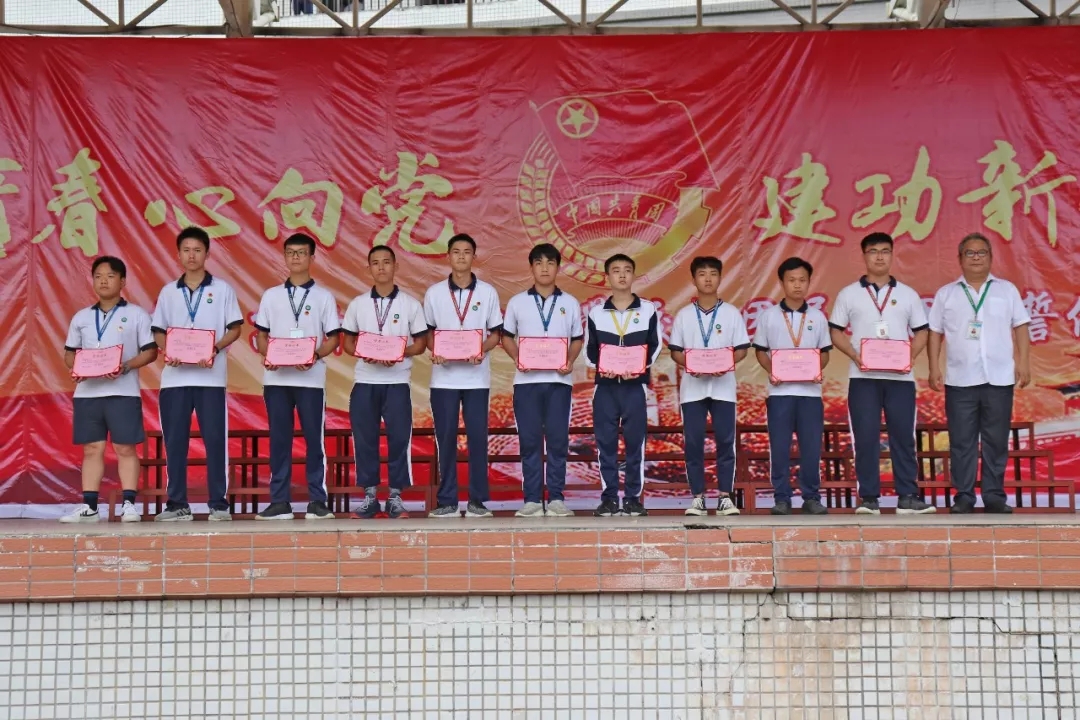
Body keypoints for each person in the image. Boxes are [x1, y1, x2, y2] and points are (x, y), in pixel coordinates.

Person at [828, 232, 936, 516]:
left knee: (903, 437)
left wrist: (909, 357)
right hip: (863, 379)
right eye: (873, 251)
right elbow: (835, 331)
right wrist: (855, 355)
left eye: (885, 251)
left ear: (892, 255)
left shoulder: (908, 294)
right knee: (865, 437)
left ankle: (908, 497)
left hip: (900, 379)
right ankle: (869, 498)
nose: (879, 256)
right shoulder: (849, 294)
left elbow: (922, 331)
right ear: (864, 256)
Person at [927, 233, 1031, 514]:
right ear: (960, 259)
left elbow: (1021, 326)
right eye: (970, 253)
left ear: (990, 257)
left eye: (981, 252)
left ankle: (994, 495)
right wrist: (934, 367)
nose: (976, 258)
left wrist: (1023, 362)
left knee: (996, 440)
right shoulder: (946, 294)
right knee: (962, 441)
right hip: (960, 380)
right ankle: (963, 496)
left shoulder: (1006, 290)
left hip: (999, 378)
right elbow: (934, 332)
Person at [151, 227, 244, 522]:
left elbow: (235, 328)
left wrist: (214, 349)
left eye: (197, 250)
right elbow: (158, 331)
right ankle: (177, 504)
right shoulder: (168, 291)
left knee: (215, 441)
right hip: (175, 379)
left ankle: (218, 503)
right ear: (178, 254)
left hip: (210, 378)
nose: (192, 256)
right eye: (186, 250)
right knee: (174, 442)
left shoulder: (223, 289)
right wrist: (169, 350)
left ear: (207, 253)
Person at [60, 257, 158, 523]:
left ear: (122, 281)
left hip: (122, 393)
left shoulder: (137, 314)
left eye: (110, 276)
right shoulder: (81, 317)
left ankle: (129, 505)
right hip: (87, 393)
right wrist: (77, 367)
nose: (104, 281)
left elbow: (150, 352)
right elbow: (70, 353)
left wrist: (126, 366)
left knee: (125, 448)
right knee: (92, 449)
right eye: (98, 276)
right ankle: (90, 507)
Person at [253, 233, 341, 521]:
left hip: (310, 380)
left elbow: (333, 338)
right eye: (290, 252)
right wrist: (268, 355)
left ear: (312, 258)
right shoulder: (271, 295)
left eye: (301, 253)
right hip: (277, 380)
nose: (295, 257)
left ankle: (317, 500)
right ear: (284, 257)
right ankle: (280, 502)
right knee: (279, 441)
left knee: (315, 442)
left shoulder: (324, 297)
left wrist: (314, 355)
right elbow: (261, 335)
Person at [342, 245, 428, 519]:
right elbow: (348, 343)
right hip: (365, 381)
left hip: (397, 382)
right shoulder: (358, 304)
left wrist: (400, 353)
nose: (381, 267)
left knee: (399, 439)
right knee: (364, 439)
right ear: (369, 268)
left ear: (395, 266)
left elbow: (421, 343)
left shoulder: (410, 304)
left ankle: (395, 497)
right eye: (375, 262)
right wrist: (363, 354)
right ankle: (369, 496)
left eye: (386, 262)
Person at [423, 233, 503, 518]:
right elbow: (428, 332)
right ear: (448, 256)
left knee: (477, 439)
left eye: (466, 252)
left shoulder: (487, 293)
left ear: (474, 257)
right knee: (445, 439)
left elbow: (496, 334)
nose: (461, 256)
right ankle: (447, 500)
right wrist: (436, 350)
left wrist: (482, 349)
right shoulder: (434, 293)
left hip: (476, 379)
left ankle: (477, 501)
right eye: (456, 251)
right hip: (443, 379)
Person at [501, 243, 583, 518]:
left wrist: (570, 360)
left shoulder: (570, 303)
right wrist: (518, 358)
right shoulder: (517, 302)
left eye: (550, 263)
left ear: (558, 267)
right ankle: (533, 499)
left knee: (558, 440)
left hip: (560, 382)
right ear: (531, 267)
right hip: (526, 382)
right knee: (530, 441)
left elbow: (577, 339)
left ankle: (557, 498)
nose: (545, 268)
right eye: (539, 263)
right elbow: (506, 337)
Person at [667, 256, 750, 517]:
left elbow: (742, 348)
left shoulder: (731, 313)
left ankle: (725, 496)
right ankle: (698, 498)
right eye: (702, 274)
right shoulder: (684, 315)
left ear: (720, 278)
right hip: (692, 389)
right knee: (693, 443)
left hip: (723, 388)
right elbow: (675, 351)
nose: (707, 279)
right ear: (694, 279)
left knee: (726, 441)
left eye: (713, 273)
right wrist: (692, 365)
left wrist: (725, 363)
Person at [753, 257, 832, 516]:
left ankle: (811, 497)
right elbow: (761, 351)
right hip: (780, 394)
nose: (797, 285)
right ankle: (782, 498)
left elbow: (824, 352)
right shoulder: (768, 316)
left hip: (810, 395)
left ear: (809, 282)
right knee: (779, 448)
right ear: (782, 282)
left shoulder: (818, 317)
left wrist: (817, 369)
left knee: (811, 448)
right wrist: (772, 371)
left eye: (802, 280)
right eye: (791, 280)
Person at [585, 254, 661, 518]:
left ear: (634, 275)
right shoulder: (596, 313)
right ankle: (608, 499)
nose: (622, 275)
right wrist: (604, 367)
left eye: (627, 270)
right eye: (616, 270)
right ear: (607, 276)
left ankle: (632, 499)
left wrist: (639, 367)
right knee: (605, 444)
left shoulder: (648, 310)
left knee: (635, 444)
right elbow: (589, 350)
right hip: (605, 387)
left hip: (635, 387)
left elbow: (655, 345)